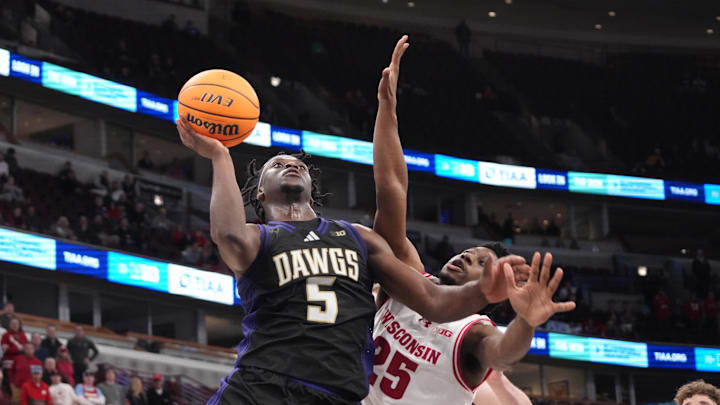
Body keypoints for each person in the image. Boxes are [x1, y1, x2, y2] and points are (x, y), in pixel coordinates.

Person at [176, 96, 526, 403]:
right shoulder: (258, 238)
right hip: (262, 385)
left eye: (297, 163)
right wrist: (221, 158)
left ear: (313, 189)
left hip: (335, 395)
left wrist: (489, 295)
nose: (290, 164)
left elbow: (432, 299)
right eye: (277, 165)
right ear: (261, 194)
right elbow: (229, 235)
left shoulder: (359, 238)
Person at [363, 36, 574, 405]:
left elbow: (504, 353)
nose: (465, 257)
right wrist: (387, 109)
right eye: (470, 252)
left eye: (480, 263)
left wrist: (525, 323)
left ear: (494, 288)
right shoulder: (411, 283)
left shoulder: (473, 333)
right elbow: (391, 190)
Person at [2, 317, 26, 394]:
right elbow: (5, 350)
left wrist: (12, 348)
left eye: (16, 324)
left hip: (19, 365)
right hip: (8, 364)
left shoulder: (22, 335)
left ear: (19, 325)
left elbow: (26, 349)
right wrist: (18, 349)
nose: (14, 325)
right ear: (10, 325)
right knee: (8, 385)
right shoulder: (6, 335)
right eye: (13, 324)